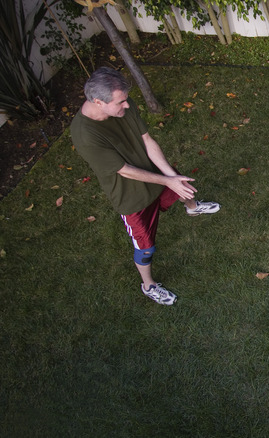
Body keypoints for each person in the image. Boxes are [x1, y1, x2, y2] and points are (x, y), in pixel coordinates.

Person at [70, 67, 220, 305]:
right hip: (131, 196)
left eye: (125, 99)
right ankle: (148, 286)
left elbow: (147, 140)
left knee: (182, 186)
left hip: (153, 174)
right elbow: (123, 170)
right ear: (98, 102)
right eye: (120, 102)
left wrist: (172, 177)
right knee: (146, 248)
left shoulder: (123, 104)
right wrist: (167, 180)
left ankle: (192, 207)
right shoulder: (84, 134)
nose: (127, 105)